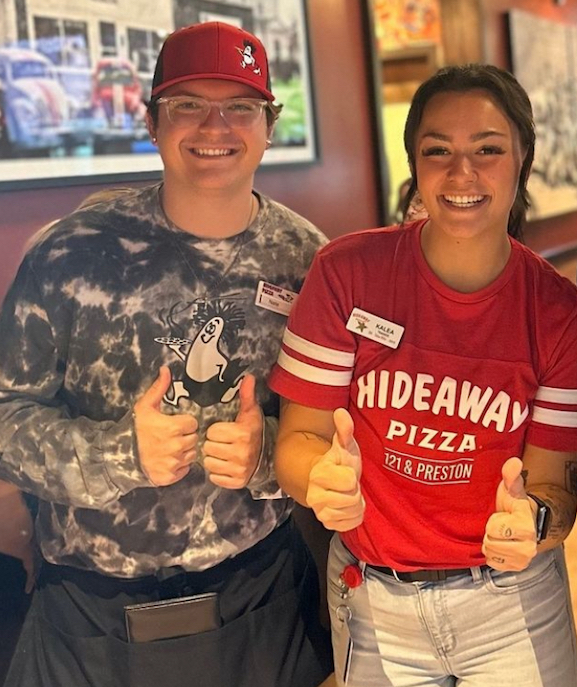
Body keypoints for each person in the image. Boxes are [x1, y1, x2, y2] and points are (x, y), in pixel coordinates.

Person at [0, 22, 332, 687]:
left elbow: (328, 432)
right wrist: (120, 451)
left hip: (260, 600)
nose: (216, 127)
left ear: (270, 123)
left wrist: (266, 452)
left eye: (240, 106)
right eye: (188, 105)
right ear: (151, 120)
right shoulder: (68, 255)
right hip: (89, 619)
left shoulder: (308, 260)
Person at [269, 64, 577, 687]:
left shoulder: (560, 315)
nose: (462, 174)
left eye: (488, 149)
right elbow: (299, 441)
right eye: (438, 151)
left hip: (512, 605)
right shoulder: (346, 275)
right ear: (415, 165)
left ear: (522, 158)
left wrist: (530, 521)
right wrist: (320, 478)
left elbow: (557, 493)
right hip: (372, 600)